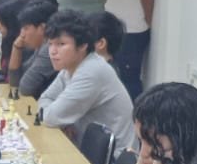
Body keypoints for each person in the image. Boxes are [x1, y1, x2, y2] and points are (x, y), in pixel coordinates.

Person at [37, 10, 136, 152]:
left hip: (111, 158)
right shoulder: (71, 66)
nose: (53, 51)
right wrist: (62, 121)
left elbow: (50, 117)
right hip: (88, 148)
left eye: (61, 44)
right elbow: (45, 99)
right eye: (50, 44)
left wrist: (60, 119)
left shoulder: (91, 71)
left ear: (83, 45)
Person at [13, 0, 59, 98]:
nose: (22, 35)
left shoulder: (48, 49)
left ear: (42, 28)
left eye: (26, 28)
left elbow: (25, 88)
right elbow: (15, 82)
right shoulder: (40, 46)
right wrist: (16, 48)